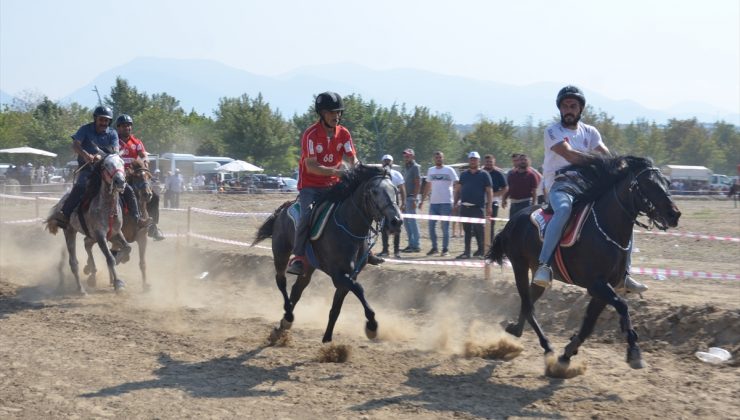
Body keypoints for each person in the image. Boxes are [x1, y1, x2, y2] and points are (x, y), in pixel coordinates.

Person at [533, 85, 647, 294]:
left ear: (580, 109)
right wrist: (602, 162)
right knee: (564, 210)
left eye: (573, 106)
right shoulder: (552, 131)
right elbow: (571, 156)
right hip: (560, 184)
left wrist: (623, 164)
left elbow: (606, 154)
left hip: (586, 185)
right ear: (560, 109)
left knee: (622, 215)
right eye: (565, 106)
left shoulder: (590, 132)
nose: (569, 109)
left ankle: (624, 275)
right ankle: (544, 265)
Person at [287, 92, 360, 275]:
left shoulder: (344, 134)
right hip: (310, 187)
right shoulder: (310, 135)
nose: (336, 116)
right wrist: (336, 172)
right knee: (306, 215)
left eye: (339, 112)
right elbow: (311, 166)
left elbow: (352, 158)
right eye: (331, 112)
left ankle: (365, 249)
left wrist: (358, 171)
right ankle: (298, 257)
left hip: (334, 185)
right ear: (322, 113)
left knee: (357, 206)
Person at [54, 106, 146, 229]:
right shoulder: (85, 129)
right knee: (81, 185)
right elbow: (75, 145)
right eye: (101, 120)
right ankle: (64, 214)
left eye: (106, 120)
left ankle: (137, 218)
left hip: (106, 168)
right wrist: (86, 155)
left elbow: (115, 151)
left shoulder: (112, 133)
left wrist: (102, 157)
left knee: (127, 188)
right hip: (88, 167)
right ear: (95, 119)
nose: (104, 123)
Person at [116, 114, 165, 241]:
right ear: (118, 128)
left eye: (128, 126)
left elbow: (143, 156)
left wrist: (145, 165)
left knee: (154, 197)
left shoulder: (136, 142)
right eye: (123, 126)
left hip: (135, 175)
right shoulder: (114, 141)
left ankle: (153, 228)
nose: (126, 128)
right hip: (118, 175)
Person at [453, 151, 493, 258]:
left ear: (478, 161)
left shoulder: (484, 174)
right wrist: (455, 202)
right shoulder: (464, 174)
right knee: (467, 231)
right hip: (465, 207)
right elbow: (458, 189)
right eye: (471, 159)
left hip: (478, 207)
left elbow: (489, 191)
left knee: (479, 230)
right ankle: (467, 252)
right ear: (469, 161)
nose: (473, 161)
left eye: (475, 159)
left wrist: (489, 206)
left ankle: (482, 251)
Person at [419, 151, 458, 256]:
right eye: (436, 158)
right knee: (431, 227)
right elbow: (428, 186)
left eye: (440, 157)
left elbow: (457, 183)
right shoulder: (431, 170)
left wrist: (456, 199)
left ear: (443, 158)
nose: (438, 159)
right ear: (434, 159)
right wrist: (422, 200)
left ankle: (445, 249)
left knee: (445, 227)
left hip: (446, 202)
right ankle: (434, 248)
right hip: (433, 203)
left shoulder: (449, 170)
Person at [377, 154, 406, 259]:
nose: (387, 162)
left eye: (389, 160)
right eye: (385, 160)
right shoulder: (379, 174)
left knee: (397, 227)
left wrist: (403, 202)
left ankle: (396, 251)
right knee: (384, 228)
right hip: (383, 206)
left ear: (392, 162)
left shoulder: (397, 174)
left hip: (394, 204)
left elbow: (402, 188)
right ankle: (385, 250)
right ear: (382, 162)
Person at [502, 153, 539, 219]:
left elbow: (534, 192)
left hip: (526, 204)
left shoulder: (532, 175)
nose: (523, 161)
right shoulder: (512, 175)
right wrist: (504, 199)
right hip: (513, 204)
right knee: (513, 225)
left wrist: (533, 205)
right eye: (521, 160)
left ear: (528, 161)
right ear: (518, 161)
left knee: (523, 225)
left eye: (525, 160)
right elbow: (509, 189)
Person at [401, 148, 422, 253]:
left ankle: (416, 245)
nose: (406, 157)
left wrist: (414, 198)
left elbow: (418, 183)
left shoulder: (415, 167)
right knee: (406, 223)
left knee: (413, 222)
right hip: (406, 198)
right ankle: (410, 244)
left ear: (413, 156)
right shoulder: (406, 168)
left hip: (411, 197)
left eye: (408, 155)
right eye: (405, 156)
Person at [482, 154, 508, 239]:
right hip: (481, 202)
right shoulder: (480, 172)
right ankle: (481, 246)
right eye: (487, 162)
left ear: (494, 162)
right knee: (480, 225)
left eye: (490, 162)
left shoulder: (498, 174)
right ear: (484, 162)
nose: (489, 163)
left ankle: (490, 245)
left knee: (491, 225)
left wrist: (496, 194)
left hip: (493, 202)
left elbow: (505, 187)